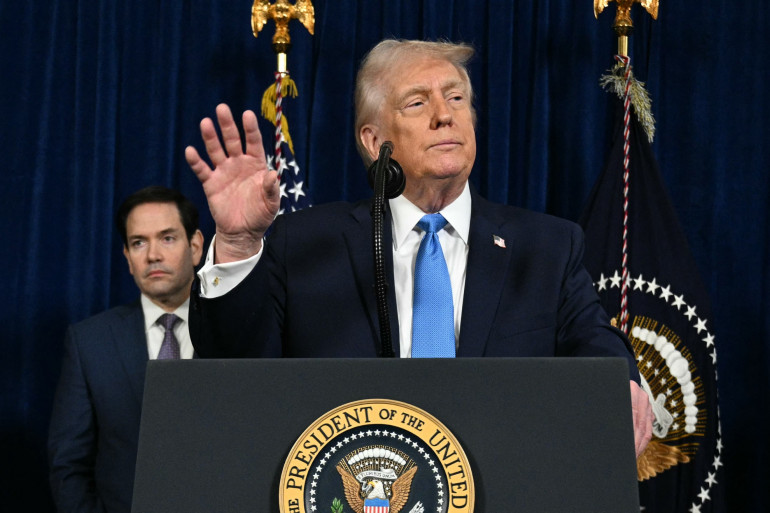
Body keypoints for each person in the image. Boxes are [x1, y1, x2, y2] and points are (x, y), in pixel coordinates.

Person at [184, 39, 653, 455]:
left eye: (456, 98)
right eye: (417, 102)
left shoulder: (546, 246)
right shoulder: (304, 244)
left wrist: (620, 380)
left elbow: (594, 342)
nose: (444, 114)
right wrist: (238, 243)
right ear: (374, 141)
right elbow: (234, 370)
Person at [48, 186, 204, 513]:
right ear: (128, 258)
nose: (153, 255)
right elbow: (69, 464)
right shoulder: (90, 342)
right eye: (139, 243)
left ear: (195, 247)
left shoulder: (236, 332)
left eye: (167, 238)